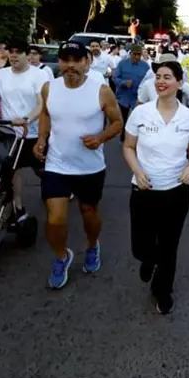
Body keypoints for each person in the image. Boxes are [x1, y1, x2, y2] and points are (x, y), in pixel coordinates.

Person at [35, 41, 124, 290]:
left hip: (89, 168)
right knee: (55, 218)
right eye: (65, 60)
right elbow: (46, 114)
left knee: (89, 213)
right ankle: (62, 256)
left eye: (76, 60)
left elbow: (118, 122)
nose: (70, 66)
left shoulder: (101, 90)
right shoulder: (48, 87)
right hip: (57, 164)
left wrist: (100, 138)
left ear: (87, 62)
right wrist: (41, 139)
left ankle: (92, 245)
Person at [123, 61, 189, 314]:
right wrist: (138, 171)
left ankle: (163, 290)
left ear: (180, 83)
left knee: (169, 245)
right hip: (143, 191)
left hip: (176, 192)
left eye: (167, 77)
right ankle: (149, 260)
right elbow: (128, 147)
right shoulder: (141, 113)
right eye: (158, 76)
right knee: (141, 246)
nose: (161, 81)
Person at [0, 41, 50, 221]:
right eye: (11, 52)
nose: (14, 56)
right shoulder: (0, 75)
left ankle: (59, 185)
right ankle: (17, 206)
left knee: (42, 170)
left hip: (33, 131)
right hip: (10, 133)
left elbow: (42, 103)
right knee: (13, 169)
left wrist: (27, 119)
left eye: (18, 52)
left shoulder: (39, 75)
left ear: (26, 55)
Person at [114, 44, 150, 141]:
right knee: (123, 118)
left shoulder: (145, 66)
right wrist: (123, 82)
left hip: (137, 98)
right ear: (130, 54)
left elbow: (149, 81)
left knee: (137, 119)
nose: (137, 57)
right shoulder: (122, 64)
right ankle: (123, 134)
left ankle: (135, 138)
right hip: (123, 97)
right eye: (135, 54)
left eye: (139, 55)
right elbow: (115, 78)